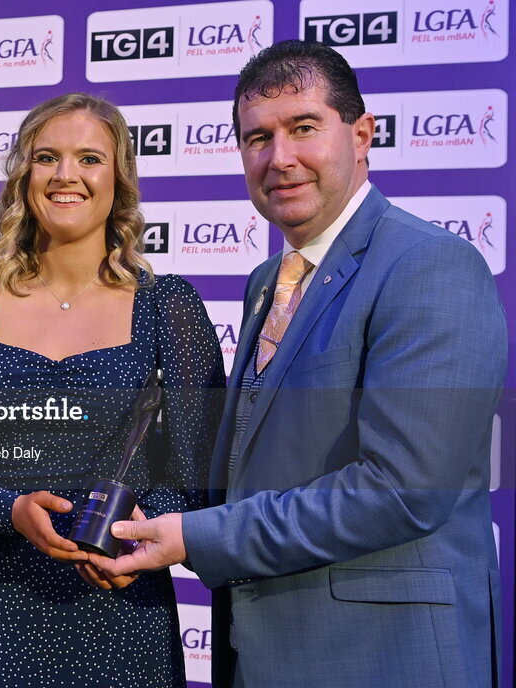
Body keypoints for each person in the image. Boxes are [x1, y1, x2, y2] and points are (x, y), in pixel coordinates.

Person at [90, 40, 507, 688]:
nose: (279, 157)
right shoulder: (267, 281)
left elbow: (403, 490)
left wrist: (197, 537)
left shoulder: (430, 266)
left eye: (303, 127)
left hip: (384, 662)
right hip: (264, 655)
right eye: (257, 138)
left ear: (361, 135)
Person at [0, 93, 225, 687]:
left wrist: (141, 532)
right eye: (47, 157)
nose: (65, 175)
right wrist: (7, 510)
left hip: (121, 607)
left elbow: (204, 473)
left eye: (89, 159)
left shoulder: (168, 308)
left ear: (119, 179)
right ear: (24, 176)